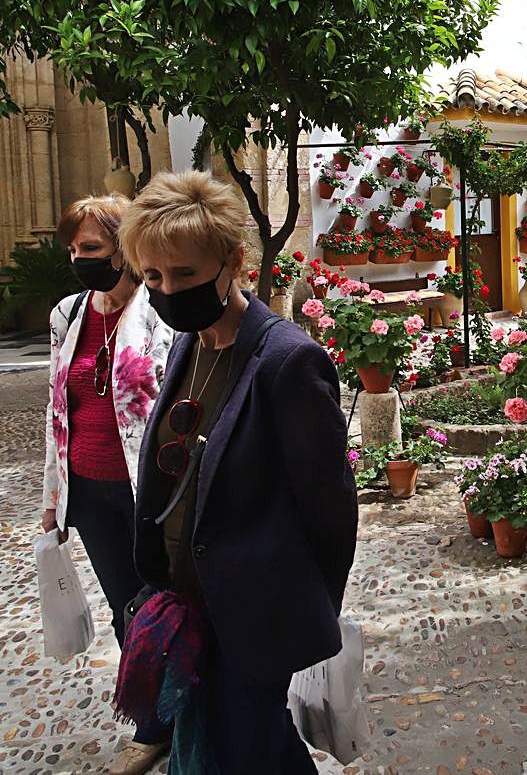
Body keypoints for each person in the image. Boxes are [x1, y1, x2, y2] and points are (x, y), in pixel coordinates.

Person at [116, 171, 358, 773]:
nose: (167, 290)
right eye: (152, 277)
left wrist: (299, 616)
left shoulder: (287, 361)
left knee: (248, 748)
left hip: (254, 616)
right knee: (242, 749)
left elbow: (331, 511)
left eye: (186, 275)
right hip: (188, 605)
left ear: (233, 261)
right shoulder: (188, 345)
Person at [42, 193, 174, 775]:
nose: (79, 259)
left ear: (122, 248)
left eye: (90, 248)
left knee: (168, 604)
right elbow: (56, 413)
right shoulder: (67, 316)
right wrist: (53, 499)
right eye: (72, 249)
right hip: (89, 491)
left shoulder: (162, 311)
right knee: (127, 610)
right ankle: (155, 723)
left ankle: (195, 710)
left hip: (149, 491)